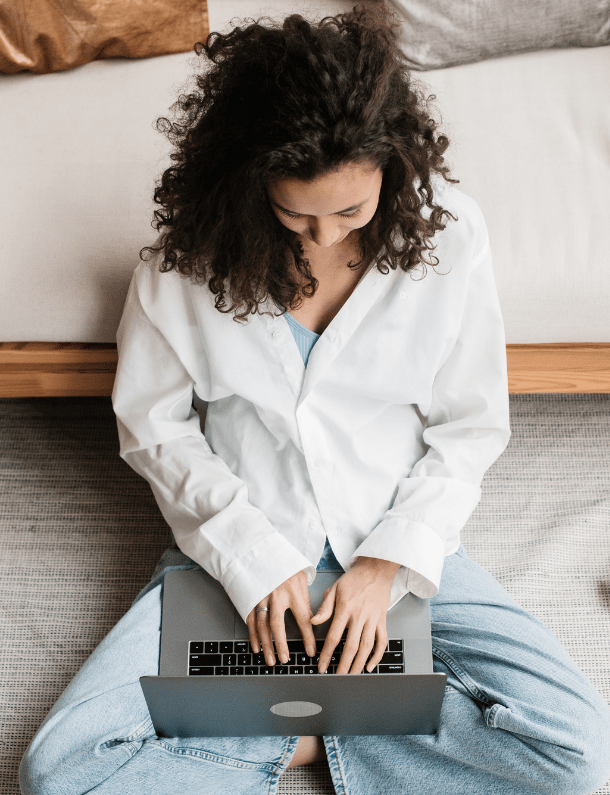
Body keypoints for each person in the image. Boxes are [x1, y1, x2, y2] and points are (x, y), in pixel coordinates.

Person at [19, 5, 610, 794]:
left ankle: (302, 730)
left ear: (392, 170)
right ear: (247, 178)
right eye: (294, 213)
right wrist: (252, 559)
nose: (323, 239)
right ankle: (328, 731)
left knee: (581, 759)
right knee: (59, 771)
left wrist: (385, 564)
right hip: (242, 546)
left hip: (396, 535)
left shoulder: (453, 238)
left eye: (350, 212)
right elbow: (154, 430)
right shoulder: (180, 268)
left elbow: (470, 425)